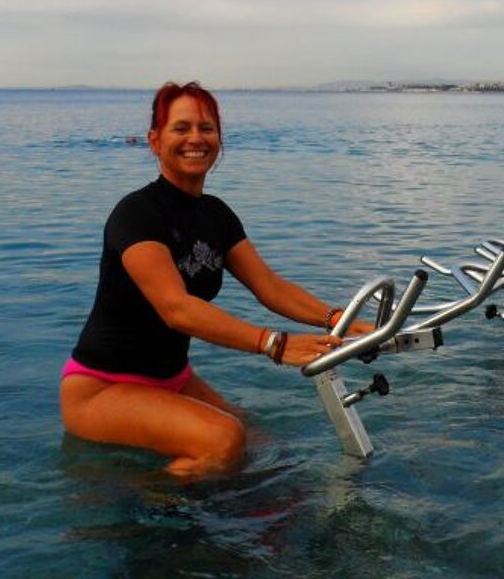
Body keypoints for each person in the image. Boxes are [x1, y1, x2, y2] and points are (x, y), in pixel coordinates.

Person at [60, 81, 372, 477]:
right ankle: (138, 519)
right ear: (155, 141)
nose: (196, 138)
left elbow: (269, 286)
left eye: (207, 129)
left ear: (219, 140)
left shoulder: (216, 215)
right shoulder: (136, 213)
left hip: (172, 378)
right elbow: (176, 309)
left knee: (260, 442)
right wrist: (273, 344)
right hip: (100, 387)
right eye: (181, 128)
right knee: (223, 440)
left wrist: (338, 320)